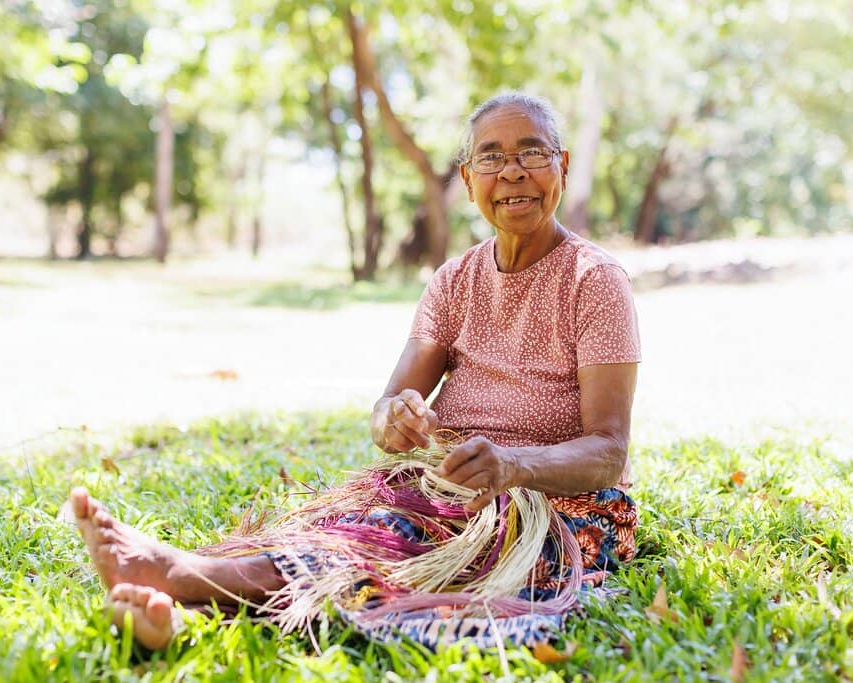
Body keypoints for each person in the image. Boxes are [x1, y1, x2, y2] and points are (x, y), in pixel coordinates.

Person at [69, 92, 640, 651]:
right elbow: (386, 411)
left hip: (560, 509)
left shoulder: (594, 280)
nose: (512, 173)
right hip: (447, 489)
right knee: (349, 530)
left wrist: (512, 465)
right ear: (468, 181)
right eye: (491, 157)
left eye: (531, 153)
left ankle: (185, 576)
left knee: (401, 540)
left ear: (561, 166)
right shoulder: (453, 280)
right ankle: (186, 620)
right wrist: (394, 420)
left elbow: (608, 450)